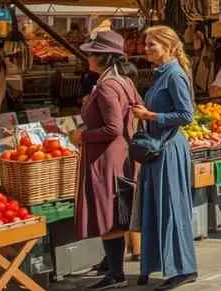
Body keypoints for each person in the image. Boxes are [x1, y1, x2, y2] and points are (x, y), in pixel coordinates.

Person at [131, 26, 197, 290]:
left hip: (168, 149)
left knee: (171, 206)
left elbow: (186, 115)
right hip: (155, 148)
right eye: (146, 44)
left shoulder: (175, 75)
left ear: (167, 46)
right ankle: (153, 263)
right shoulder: (161, 74)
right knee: (154, 206)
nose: (146, 49)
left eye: (152, 45)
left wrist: (150, 115)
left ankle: (183, 268)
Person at [73, 31, 140, 290]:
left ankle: (115, 274)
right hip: (121, 154)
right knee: (115, 209)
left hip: (106, 158)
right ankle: (110, 264)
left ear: (103, 57)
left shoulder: (106, 86)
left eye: (92, 53)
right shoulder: (124, 81)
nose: (88, 57)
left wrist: (82, 135)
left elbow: (112, 128)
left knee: (108, 211)